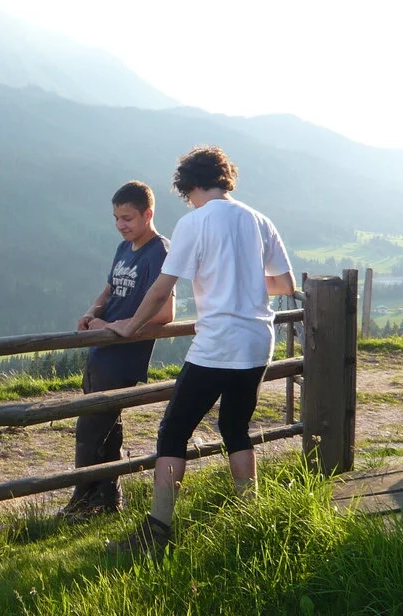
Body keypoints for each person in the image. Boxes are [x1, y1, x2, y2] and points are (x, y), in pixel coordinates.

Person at [106, 146, 295, 555]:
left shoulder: (195, 222)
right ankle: (252, 516)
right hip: (257, 341)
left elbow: (162, 287)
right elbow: (284, 284)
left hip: (218, 344)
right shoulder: (259, 219)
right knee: (235, 428)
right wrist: (241, 281)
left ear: (190, 186)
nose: (187, 200)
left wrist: (129, 325)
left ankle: (157, 530)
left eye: (186, 193)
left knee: (173, 431)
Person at [61, 181, 174, 519]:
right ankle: (110, 499)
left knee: (90, 428)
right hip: (101, 349)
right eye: (116, 218)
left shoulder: (161, 251)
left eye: (128, 218)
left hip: (123, 354)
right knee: (108, 429)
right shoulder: (124, 247)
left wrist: (113, 327)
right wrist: (93, 311)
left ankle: (81, 501)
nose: (121, 225)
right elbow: (109, 289)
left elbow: (165, 313)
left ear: (148, 214)